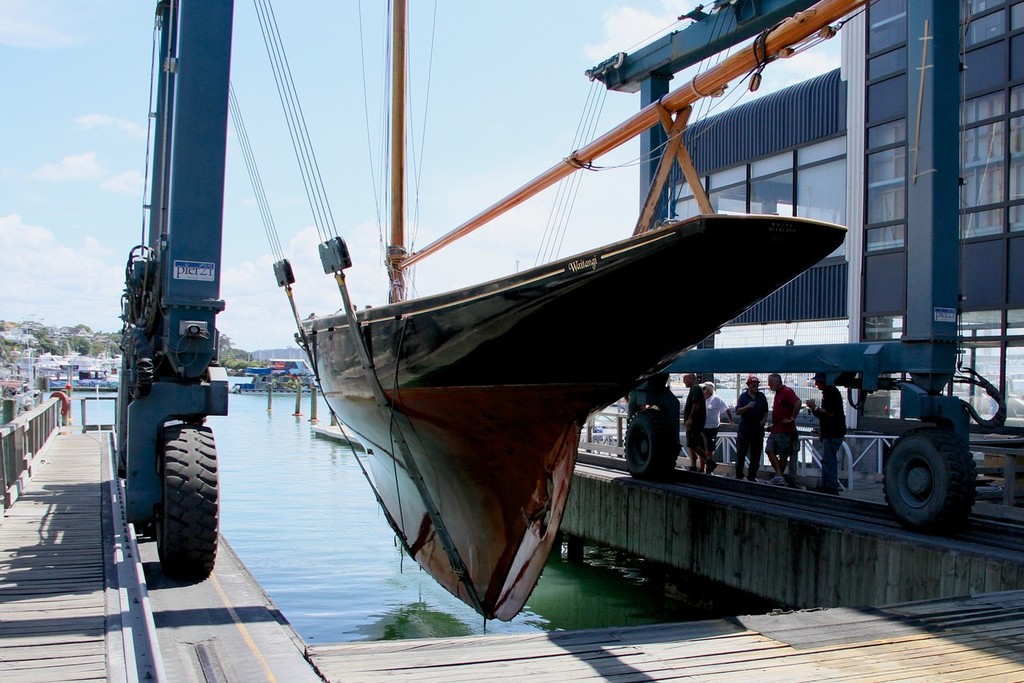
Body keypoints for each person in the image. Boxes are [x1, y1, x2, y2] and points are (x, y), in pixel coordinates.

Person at [805, 372, 846, 495]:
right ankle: (826, 485)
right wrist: (815, 409)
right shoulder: (830, 392)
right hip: (832, 433)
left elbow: (830, 413)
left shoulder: (830, 393)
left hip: (833, 433)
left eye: (818, 381)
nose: (816, 384)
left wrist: (815, 408)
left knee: (829, 460)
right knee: (828, 460)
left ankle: (831, 486)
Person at [765, 372, 802, 486]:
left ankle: (779, 477)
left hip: (785, 431)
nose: (769, 384)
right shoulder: (778, 393)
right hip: (776, 429)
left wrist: (792, 418)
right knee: (769, 450)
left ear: (777, 381)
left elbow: (798, 402)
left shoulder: (787, 391)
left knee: (783, 454)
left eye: (770, 382)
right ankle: (779, 475)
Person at [734, 375, 768, 481]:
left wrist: (764, 420)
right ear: (748, 385)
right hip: (745, 428)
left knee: (756, 453)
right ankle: (739, 475)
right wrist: (747, 407)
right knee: (741, 452)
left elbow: (766, 410)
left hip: (757, 429)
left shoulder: (761, 396)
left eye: (757, 384)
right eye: (753, 384)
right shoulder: (743, 397)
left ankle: (752, 476)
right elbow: (738, 411)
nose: (755, 385)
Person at [681, 373, 714, 473]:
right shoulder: (694, 389)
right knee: (693, 444)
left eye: (685, 380)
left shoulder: (695, 389)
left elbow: (697, 404)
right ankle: (694, 464)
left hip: (695, 423)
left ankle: (708, 462)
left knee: (693, 443)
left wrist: (690, 419)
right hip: (695, 423)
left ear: (692, 379)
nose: (684, 382)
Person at [702, 382, 733, 466]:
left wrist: (731, 421)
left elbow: (727, 409)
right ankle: (702, 467)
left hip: (712, 428)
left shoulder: (716, 399)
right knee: (701, 447)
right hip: (702, 427)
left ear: (708, 390)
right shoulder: (702, 399)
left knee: (709, 448)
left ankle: (708, 466)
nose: (703, 390)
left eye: (704, 388)